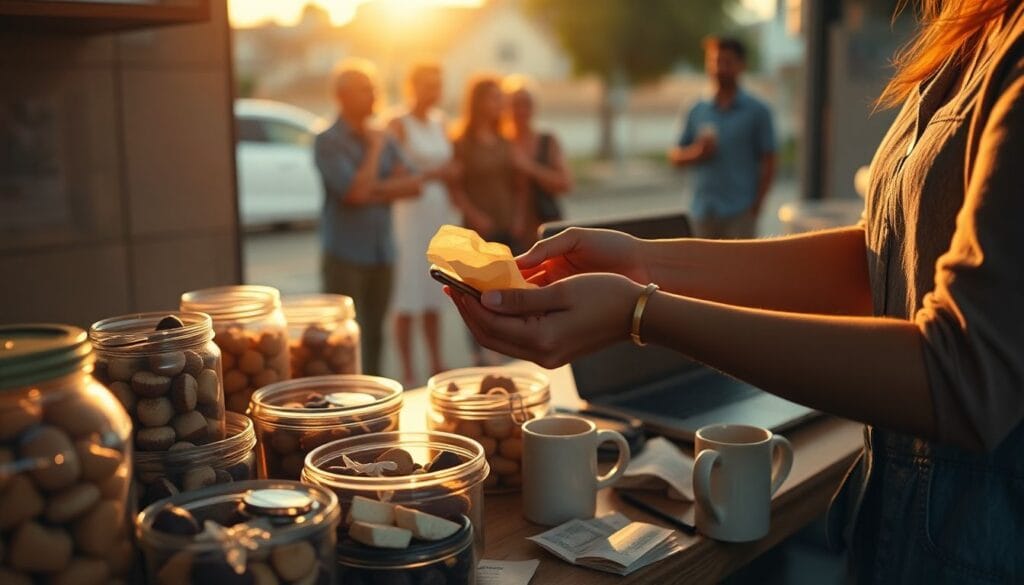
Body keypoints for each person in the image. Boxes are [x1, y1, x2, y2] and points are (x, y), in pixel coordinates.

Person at [450, 1, 1024, 582]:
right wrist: (644, 263)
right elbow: (880, 262)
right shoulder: (977, 33)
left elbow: (964, 376)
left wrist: (640, 312)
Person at [314, 59, 440, 376]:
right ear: (341, 96)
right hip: (345, 255)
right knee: (342, 338)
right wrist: (373, 152)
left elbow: (414, 185)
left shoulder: (384, 136)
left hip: (381, 252)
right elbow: (354, 194)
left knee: (374, 336)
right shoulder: (329, 141)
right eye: (364, 91)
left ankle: (371, 403)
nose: (373, 96)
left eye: (374, 89)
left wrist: (375, 189)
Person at [450, 75, 529, 366]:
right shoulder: (462, 142)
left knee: (509, 288)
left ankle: (508, 348)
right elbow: (455, 189)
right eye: (493, 98)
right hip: (477, 230)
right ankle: (479, 353)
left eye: (500, 98)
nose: (500, 104)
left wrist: (519, 217)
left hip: (508, 224)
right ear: (478, 102)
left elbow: (519, 185)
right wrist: (473, 214)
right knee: (475, 293)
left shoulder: (506, 141)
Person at [387, 62, 455, 387]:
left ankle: (436, 360)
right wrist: (434, 175)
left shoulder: (441, 121)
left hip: (437, 213)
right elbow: (394, 173)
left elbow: (451, 165)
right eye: (428, 84)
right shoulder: (398, 123)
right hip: (409, 215)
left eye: (437, 84)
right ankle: (408, 369)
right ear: (412, 86)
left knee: (433, 287)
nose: (434, 91)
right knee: (407, 291)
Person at [668, 37, 776, 239]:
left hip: (739, 212)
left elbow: (769, 160)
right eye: (714, 61)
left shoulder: (757, 111)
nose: (719, 68)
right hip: (702, 211)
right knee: (701, 269)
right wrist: (697, 153)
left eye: (727, 62)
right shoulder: (696, 109)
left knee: (737, 270)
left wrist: (757, 205)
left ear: (741, 65)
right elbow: (675, 157)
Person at [502, 75, 573, 246]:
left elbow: (565, 183)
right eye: (515, 104)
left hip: (547, 224)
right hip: (510, 230)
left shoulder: (547, 140)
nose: (521, 110)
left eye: (526, 104)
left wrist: (529, 168)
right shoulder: (500, 143)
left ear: (534, 107)